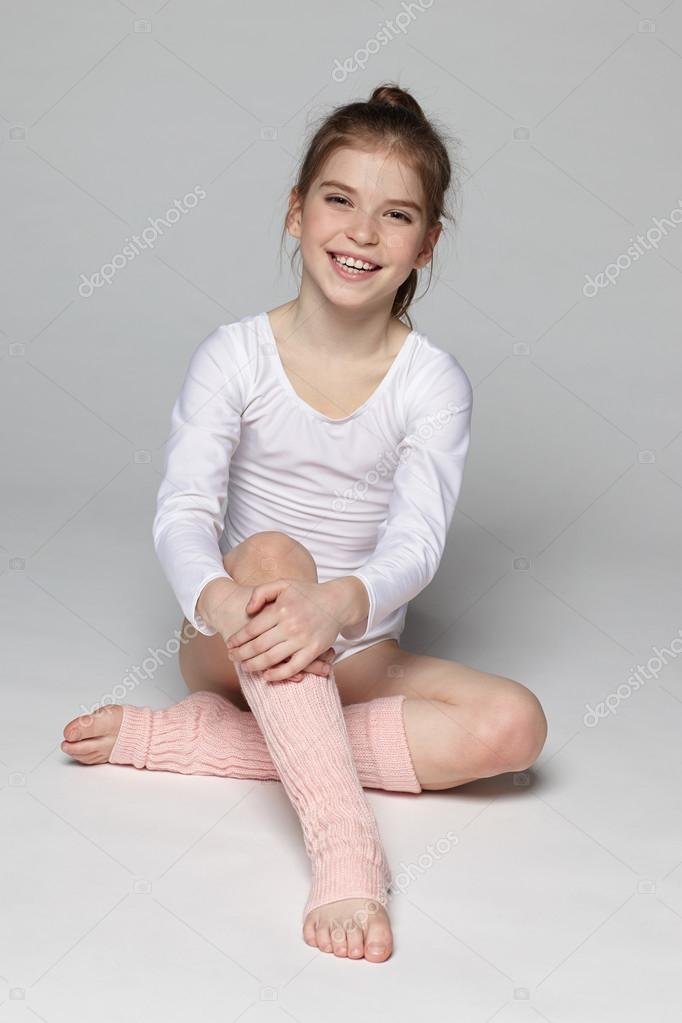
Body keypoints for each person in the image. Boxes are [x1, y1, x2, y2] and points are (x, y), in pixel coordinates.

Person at [61, 83, 548, 963]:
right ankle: (345, 847)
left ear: (426, 245)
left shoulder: (431, 381)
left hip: (359, 646)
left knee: (516, 727)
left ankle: (200, 741)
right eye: (338, 199)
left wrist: (336, 610)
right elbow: (184, 510)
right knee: (279, 553)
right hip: (233, 638)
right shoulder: (236, 354)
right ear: (295, 212)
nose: (362, 232)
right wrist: (218, 600)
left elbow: (417, 540)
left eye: (395, 215)